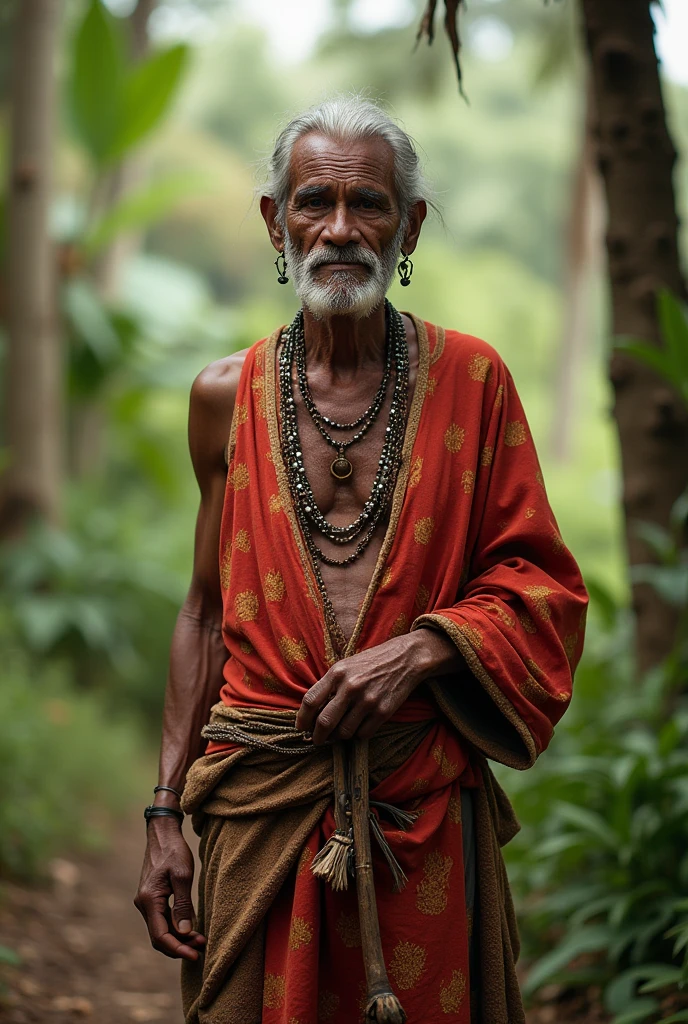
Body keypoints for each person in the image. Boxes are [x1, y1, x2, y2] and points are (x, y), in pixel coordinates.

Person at [134, 97, 588, 1024]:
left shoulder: (475, 382)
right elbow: (204, 611)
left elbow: (543, 587)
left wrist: (426, 649)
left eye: (368, 204)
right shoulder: (224, 396)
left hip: (419, 809)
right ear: (276, 219)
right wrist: (163, 816)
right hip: (260, 801)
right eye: (314, 202)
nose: (340, 229)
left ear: (408, 223)